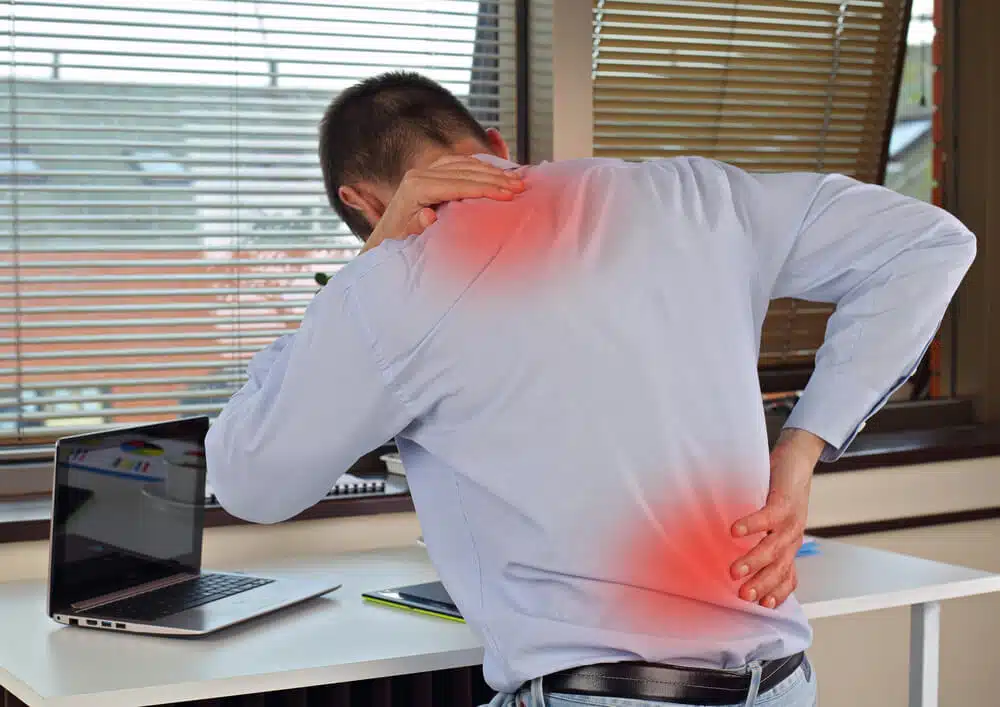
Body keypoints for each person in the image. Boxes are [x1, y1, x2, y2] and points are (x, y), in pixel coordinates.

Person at [206, 72, 976, 707]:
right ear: (500, 147)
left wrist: (373, 260)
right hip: (780, 685)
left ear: (363, 203)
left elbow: (252, 479)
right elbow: (929, 244)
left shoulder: (394, 284)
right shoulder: (697, 196)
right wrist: (801, 451)